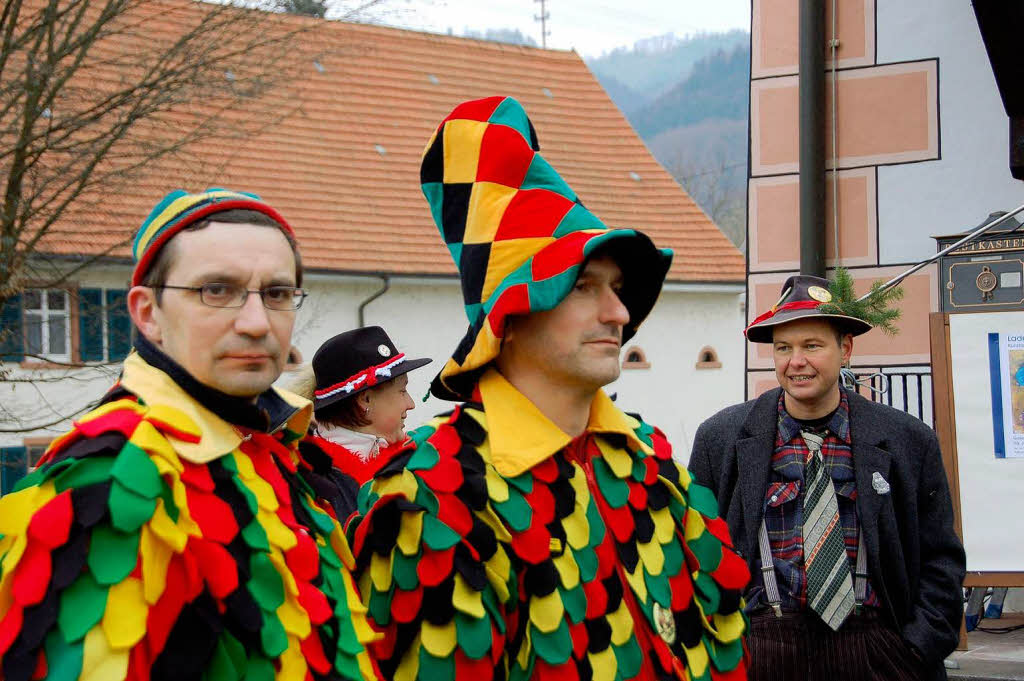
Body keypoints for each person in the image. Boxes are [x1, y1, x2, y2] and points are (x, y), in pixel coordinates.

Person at [347, 96, 749, 681]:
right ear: (509, 319)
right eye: (584, 285)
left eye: (617, 287)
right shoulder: (428, 495)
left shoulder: (652, 462)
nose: (618, 311)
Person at [0, 189, 380, 681]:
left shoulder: (264, 446)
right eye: (216, 290)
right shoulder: (113, 481)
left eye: (277, 294)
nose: (256, 323)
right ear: (147, 313)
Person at [689, 274, 966, 681]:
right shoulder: (721, 438)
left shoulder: (908, 441)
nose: (795, 361)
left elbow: (940, 559)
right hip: (759, 649)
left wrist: (915, 650)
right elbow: (695, 553)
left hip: (876, 650)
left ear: (846, 349)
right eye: (783, 348)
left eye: (812, 346)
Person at [290, 326, 431, 522]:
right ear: (365, 399)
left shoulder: (415, 460)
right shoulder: (308, 476)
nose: (411, 404)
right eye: (402, 391)